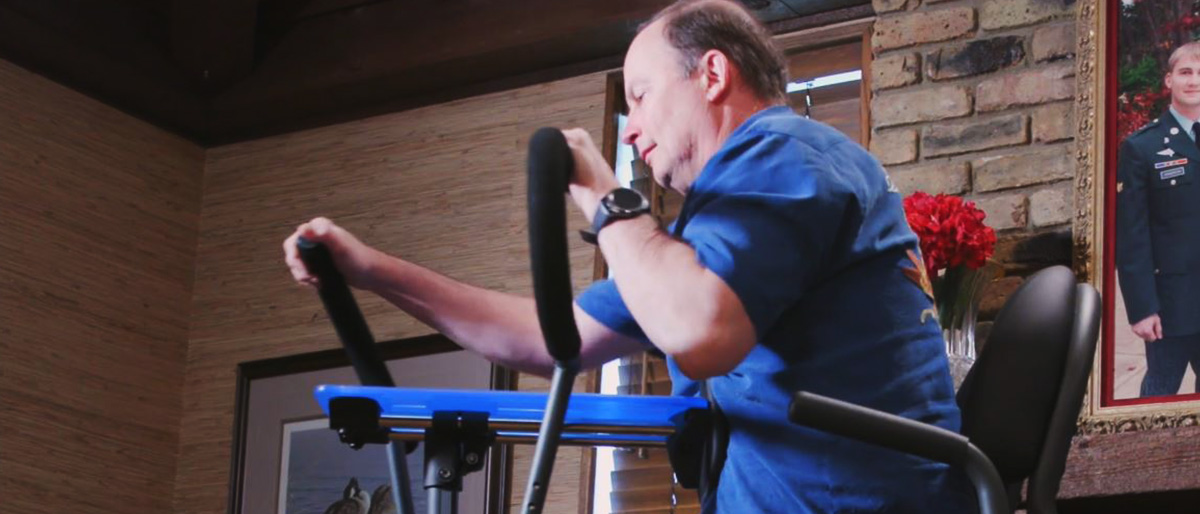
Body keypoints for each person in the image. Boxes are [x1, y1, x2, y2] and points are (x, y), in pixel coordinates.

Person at [284, 0, 971, 511]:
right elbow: (547, 338)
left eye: (640, 96)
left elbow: (702, 333)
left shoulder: (782, 155)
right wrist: (370, 269)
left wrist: (604, 195)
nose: (632, 125)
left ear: (711, 74)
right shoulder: (713, 236)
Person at [1116, 41, 1200, 398]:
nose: (1194, 80)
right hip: (1172, 306)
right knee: (1159, 396)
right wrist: (1142, 309)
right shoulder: (1142, 148)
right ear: (1168, 81)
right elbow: (1131, 235)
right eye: (1186, 72)